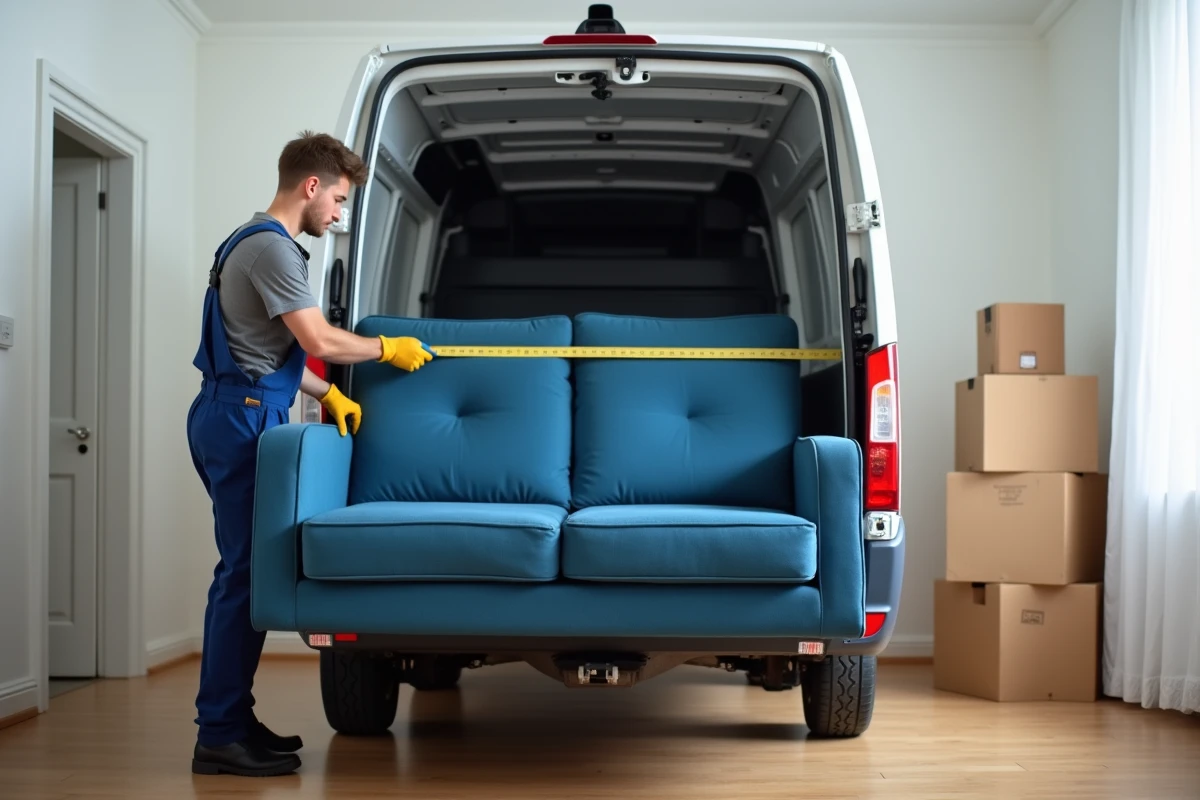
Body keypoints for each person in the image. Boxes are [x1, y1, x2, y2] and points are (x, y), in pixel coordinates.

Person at [187, 131, 433, 777]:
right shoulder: (272, 250)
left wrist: (329, 393)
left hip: (237, 409)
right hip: (240, 420)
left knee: (249, 576)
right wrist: (387, 349)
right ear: (312, 185)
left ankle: (233, 721)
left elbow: (265, 352)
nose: (339, 215)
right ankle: (218, 734)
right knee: (242, 579)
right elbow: (316, 334)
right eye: (341, 201)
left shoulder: (249, 240)